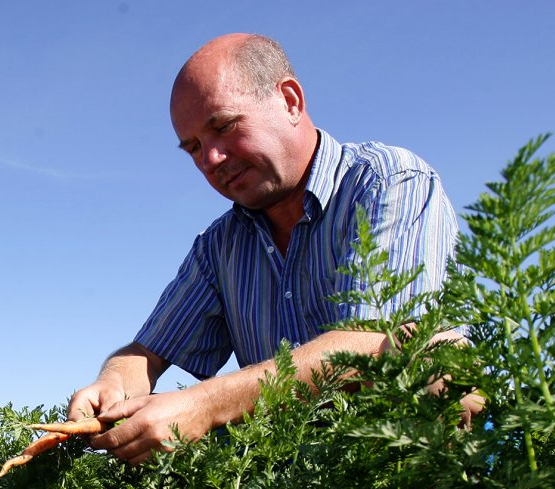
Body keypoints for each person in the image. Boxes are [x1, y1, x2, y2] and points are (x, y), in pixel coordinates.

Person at [68, 33, 469, 464]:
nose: (211, 160)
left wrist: (205, 404)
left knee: (435, 358)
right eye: (194, 149)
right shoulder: (219, 247)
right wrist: (114, 381)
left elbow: (371, 345)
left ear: (290, 100)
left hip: (395, 448)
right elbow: (147, 352)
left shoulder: (388, 182)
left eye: (222, 126)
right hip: (289, 460)